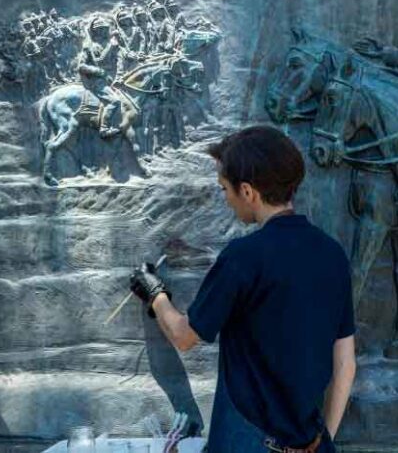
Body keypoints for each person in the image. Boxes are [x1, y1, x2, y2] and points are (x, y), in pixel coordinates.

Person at [130, 126, 357, 452]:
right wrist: (323, 441)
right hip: (311, 440)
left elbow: (184, 336)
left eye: (225, 189)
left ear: (248, 191)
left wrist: (155, 293)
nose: (226, 199)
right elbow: (345, 364)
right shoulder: (332, 254)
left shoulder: (243, 256)